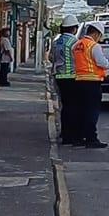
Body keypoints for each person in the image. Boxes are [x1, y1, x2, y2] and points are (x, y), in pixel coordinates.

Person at [73, 21, 109, 148]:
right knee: (92, 112)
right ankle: (91, 138)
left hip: (79, 81)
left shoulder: (77, 45)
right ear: (96, 33)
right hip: (92, 83)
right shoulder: (94, 46)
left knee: (80, 111)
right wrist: (107, 62)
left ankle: (78, 137)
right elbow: (102, 63)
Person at [49, 15, 79, 145]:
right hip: (71, 77)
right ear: (74, 29)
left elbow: (50, 57)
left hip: (58, 77)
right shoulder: (75, 43)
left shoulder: (56, 42)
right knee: (72, 107)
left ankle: (64, 132)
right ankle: (70, 135)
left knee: (64, 106)